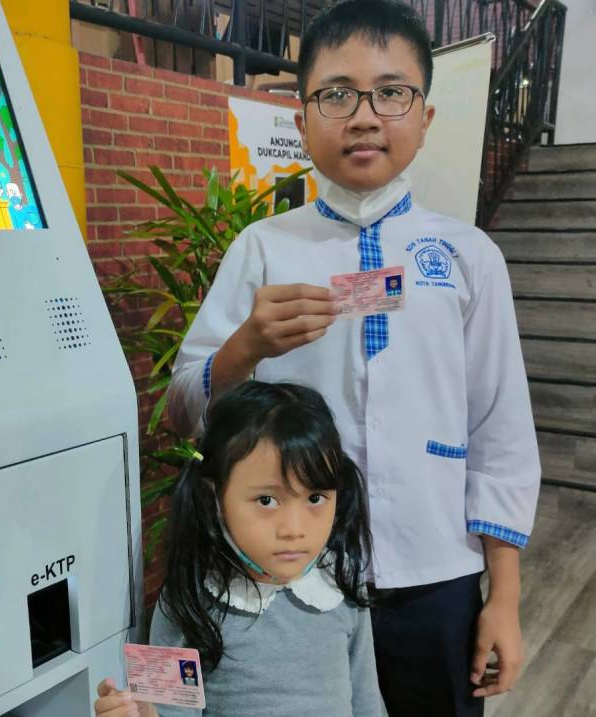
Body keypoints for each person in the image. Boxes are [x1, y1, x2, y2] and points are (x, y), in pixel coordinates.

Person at [166, 2, 541, 716]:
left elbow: (500, 434)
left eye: (391, 92)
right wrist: (243, 348)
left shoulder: (469, 258)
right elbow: (181, 411)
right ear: (302, 119)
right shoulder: (262, 249)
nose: (364, 117)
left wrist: (505, 596)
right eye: (337, 94)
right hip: (292, 583)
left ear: (425, 117)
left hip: (436, 572)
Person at [95, 382, 385, 717]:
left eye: (315, 498)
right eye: (267, 500)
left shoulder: (340, 578)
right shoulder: (187, 598)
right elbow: (166, 711)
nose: (294, 530)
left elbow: (367, 702)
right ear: (214, 498)